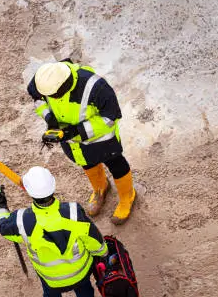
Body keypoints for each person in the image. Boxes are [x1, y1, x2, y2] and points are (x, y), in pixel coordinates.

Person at [0, 166, 110, 297]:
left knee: (51, 295)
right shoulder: (73, 212)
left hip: (49, 277)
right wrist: (104, 254)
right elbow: (96, 242)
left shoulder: (21, 221)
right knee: (85, 290)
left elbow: (3, 227)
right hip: (80, 272)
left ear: (28, 191)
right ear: (53, 186)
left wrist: (2, 207)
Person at [27, 59, 136, 225]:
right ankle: (101, 188)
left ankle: (127, 197)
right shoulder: (43, 81)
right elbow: (38, 99)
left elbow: (110, 118)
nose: (51, 98)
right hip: (72, 142)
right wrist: (50, 118)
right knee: (86, 161)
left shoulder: (97, 88)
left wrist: (75, 131)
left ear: (65, 85)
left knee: (116, 164)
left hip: (102, 139)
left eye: (54, 95)